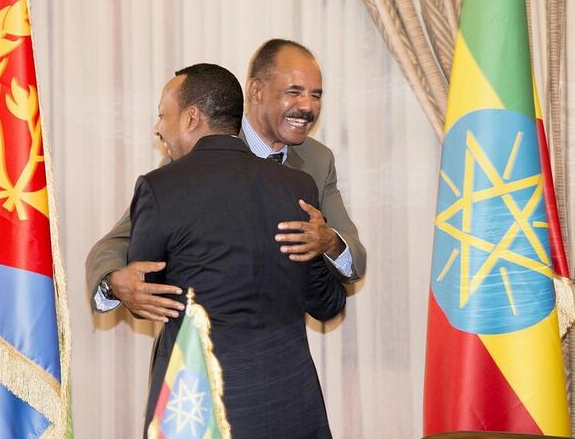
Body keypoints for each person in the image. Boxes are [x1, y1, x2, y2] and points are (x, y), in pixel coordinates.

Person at [131, 63, 346, 439]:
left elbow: (151, 296)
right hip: (282, 421)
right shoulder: (297, 187)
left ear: (192, 117)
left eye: (163, 114)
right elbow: (327, 302)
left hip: (196, 420)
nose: (158, 128)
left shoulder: (160, 188)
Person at [86, 39, 366, 319]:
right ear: (256, 91)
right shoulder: (198, 147)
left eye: (315, 95)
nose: (307, 106)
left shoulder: (318, 161)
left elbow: (355, 261)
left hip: (276, 349)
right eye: (294, 92)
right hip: (196, 346)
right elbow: (118, 240)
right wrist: (113, 282)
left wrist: (330, 242)